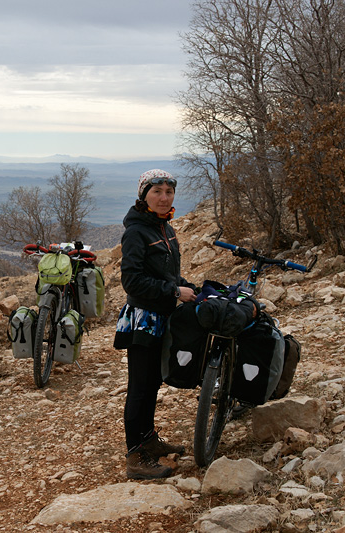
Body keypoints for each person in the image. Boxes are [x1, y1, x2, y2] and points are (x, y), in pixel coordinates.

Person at [113, 169, 197, 479]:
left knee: (152, 383)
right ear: (143, 195)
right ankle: (135, 456)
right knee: (140, 386)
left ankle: (148, 440)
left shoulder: (165, 228)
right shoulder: (137, 231)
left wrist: (190, 288)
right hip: (143, 321)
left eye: (169, 191)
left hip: (163, 318)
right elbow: (132, 281)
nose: (164, 197)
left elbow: (168, 276)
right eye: (157, 191)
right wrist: (175, 291)